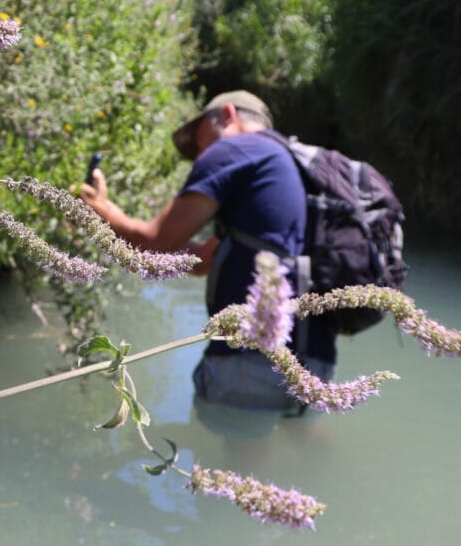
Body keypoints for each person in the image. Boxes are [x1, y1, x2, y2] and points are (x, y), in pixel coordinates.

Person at [77, 90, 337, 417]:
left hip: (250, 357)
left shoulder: (235, 148)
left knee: (239, 461)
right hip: (315, 354)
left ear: (227, 115)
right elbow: (201, 260)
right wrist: (113, 213)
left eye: (200, 139)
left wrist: (99, 209)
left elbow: (156, 245)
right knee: (300, 451)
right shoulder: (285, 165)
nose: (201, 153)